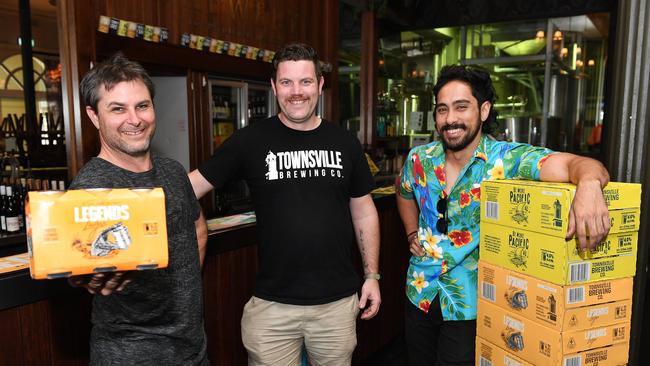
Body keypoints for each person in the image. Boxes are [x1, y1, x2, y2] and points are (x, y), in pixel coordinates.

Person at [396, 65, 610, 366]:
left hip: (470, 304)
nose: (450, 119)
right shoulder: (419, 159)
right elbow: (404, 192)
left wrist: (588, 184)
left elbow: (582, 164)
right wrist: (410, 231)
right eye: (442, 110)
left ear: (483, 110)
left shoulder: (507, 159)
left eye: (461, 107)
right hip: (418, 292)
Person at [189, 43, 381, 365]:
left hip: (336, 305)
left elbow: (364, 212)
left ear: (320, 85)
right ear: (274, 86)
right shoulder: (249, 140)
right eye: (287, 82)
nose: (296, 92)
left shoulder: (345, 143)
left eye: (305, 81)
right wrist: (126, 198)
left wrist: (372, 275)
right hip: (272, 308)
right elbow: (188, 188)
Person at [68, 53, 209, 365]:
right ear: (94, 117)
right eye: (118, 109)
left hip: (192, 351)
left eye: (142, 106)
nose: (135, 119)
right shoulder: (91, 190)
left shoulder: (172, 171)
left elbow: (198, 228)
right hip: (129, 356)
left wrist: (177, 289)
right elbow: (81, 270)